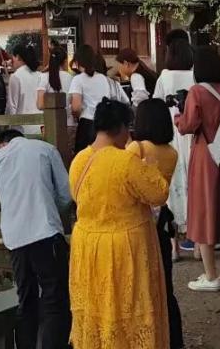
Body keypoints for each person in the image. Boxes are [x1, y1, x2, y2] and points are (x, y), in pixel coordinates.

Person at [68, 99, 171, 349]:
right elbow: (158, 194)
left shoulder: (80, 159)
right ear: (121, 128)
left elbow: (74, 195)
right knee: (130, 308)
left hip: (88, 246)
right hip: (125, 248)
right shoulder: (126, 162)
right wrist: (151, 169)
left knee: (97, 309)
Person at [0, 128, 73, 349]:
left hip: (16, 241)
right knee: (55, 301)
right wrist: (53, 210)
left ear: (1, 144)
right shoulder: (45, 149)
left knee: (26, 300)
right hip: (47, 233)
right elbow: (65, 194)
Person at [176, 45, 220, 291]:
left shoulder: (196, 91)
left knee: (204, 211)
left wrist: (178, 114)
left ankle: (210, 275)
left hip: (205, 155)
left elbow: (188, 125)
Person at [131, 99, 184, 349]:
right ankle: (174, 340)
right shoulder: (171, 153)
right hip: (161, 220)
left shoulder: (137, 148)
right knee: (166, 288)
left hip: (140, 221)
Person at [153, 32, 196, 256]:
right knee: (193, 183)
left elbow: (157, 105)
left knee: (173, 183)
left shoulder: (165, 76)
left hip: (171, 135)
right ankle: (198, 241)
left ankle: (174, 248)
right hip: (193, 135)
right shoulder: (195, 76)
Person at [69, 44, 126, 153]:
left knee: (85, 158)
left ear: (78, 61)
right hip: (103, 124)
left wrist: (78, 116)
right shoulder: (103, 79)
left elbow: (76, 107)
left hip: (86, 125)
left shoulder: (78, 79)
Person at [7, 42, 42, 127]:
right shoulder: (40, 75)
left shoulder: (15, 77)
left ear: (18, 57)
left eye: (13, 58)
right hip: (41, 124)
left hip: (22, 126)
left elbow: (12, 106)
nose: (12, 62)